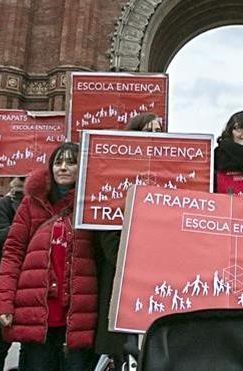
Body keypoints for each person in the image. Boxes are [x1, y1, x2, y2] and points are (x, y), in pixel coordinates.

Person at [0, 142, 98, 371]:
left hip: (78, 312)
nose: (63, 168)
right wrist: (3, 303)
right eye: (58, 162)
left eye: (71, 162)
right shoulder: (31, 204)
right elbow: (12, 253)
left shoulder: (92, 205)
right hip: (38, 310)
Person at [94, 114, 159, 368]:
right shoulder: (114, 173)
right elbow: (106, 223)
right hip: (120, 277)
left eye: (159, 131)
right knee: (121, 351)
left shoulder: (170, 172)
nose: (155, 135)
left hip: (155, 280)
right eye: (149, 130)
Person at [0, 177, 28, 371]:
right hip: (5, 279)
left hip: (32, 281)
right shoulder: (6, 203)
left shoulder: (46, 204)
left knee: (30, 346)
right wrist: (24, 226)